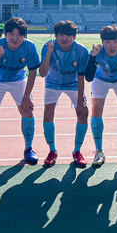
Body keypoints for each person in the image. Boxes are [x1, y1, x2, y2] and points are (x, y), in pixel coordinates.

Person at [0, 17, 41, 164]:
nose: (15, 38)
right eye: (11, 34)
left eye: (19, 34)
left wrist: (27, 96)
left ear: (24, 36)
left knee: (27, 110)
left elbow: (33, 72)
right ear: (5, 34)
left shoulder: (29, 47)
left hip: (18, 80)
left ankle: (28, 148)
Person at [84, 25, 117, 166]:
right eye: (107, 42)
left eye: (115, 41)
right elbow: (88, 77)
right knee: (96, 110)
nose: (111, 46)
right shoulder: (98, 52)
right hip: (101, 79)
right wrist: (93, 56)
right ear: (102, 42)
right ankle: (99, 151)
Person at [39, 20, 90, 167]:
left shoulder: (81, 51)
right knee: (48, 112)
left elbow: (81, 77)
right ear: (56, 36)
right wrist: (48, 53)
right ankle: (52, 150)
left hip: (73, 84)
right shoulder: (48, 46)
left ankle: (77, 151)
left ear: (74, 37)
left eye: (68, 35)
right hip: (52, 83)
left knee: (83, 113)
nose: (64, 38)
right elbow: (42, 74)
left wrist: (80, 103)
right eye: (61, 35)